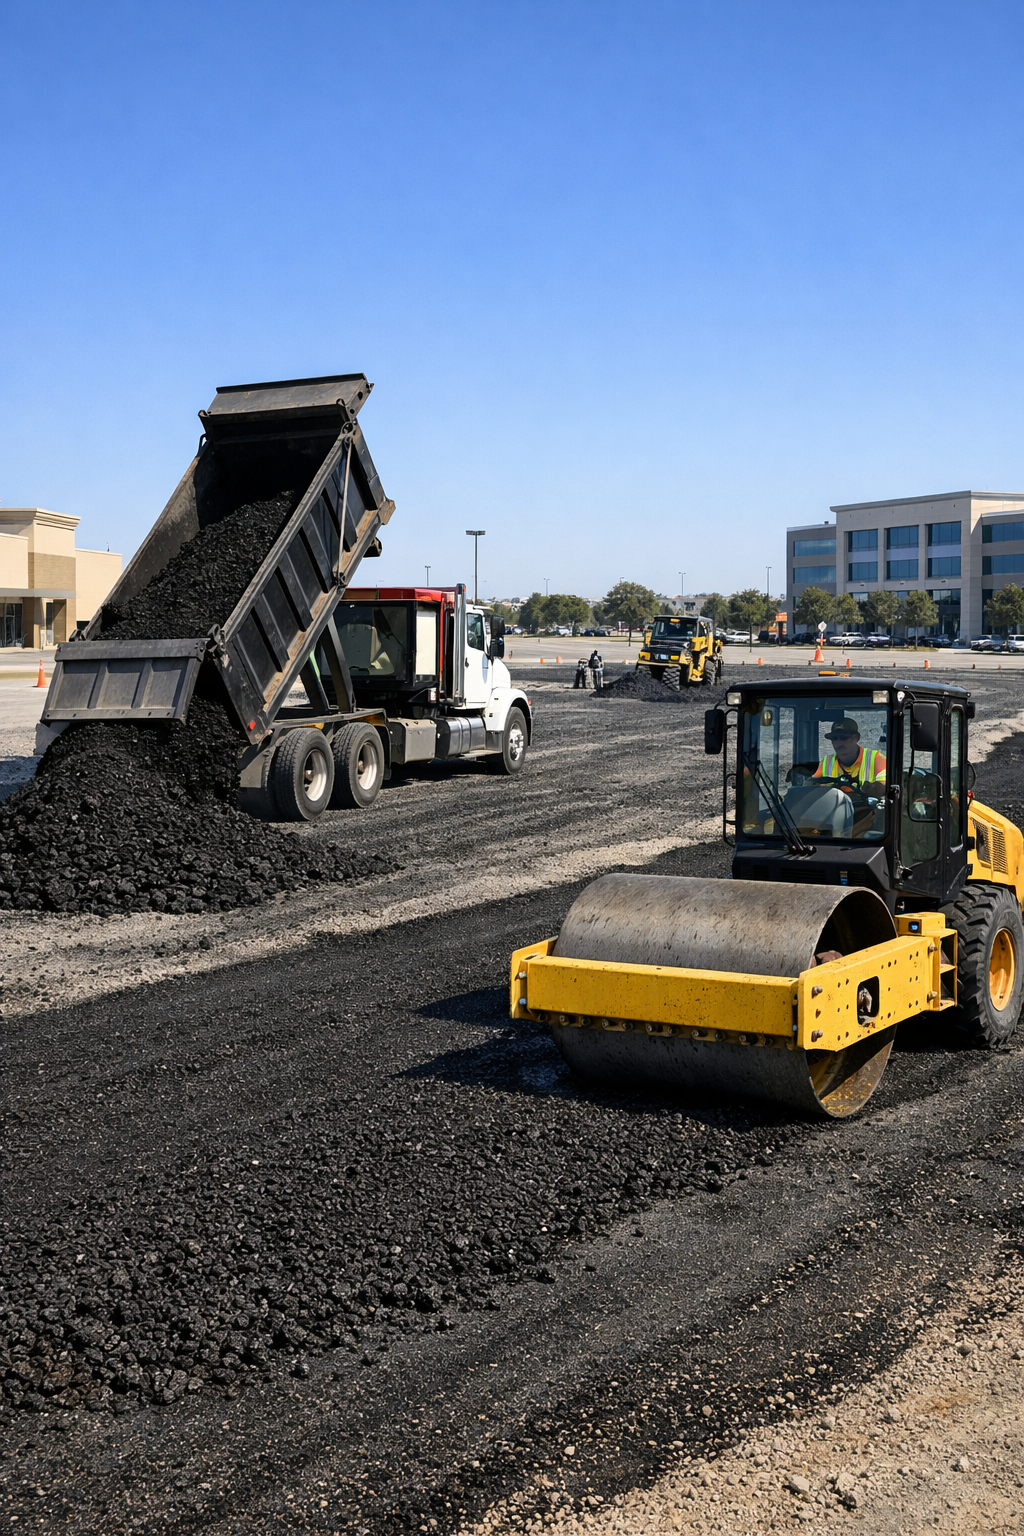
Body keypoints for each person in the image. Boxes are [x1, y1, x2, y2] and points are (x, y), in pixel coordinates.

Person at [814, 718, 886, 789]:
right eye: (834, 738)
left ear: (857, 738)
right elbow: (809, 785)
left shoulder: (876, 759)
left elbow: (885, 786)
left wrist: (874, 788)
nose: (838, 742)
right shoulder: (826, 763)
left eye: (843, 737)